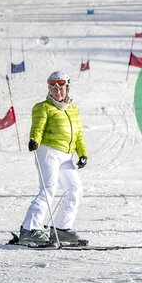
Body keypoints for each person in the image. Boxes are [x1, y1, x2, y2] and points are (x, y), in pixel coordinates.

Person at [19, 71, 89, 245]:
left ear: (67, 88)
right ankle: (29, 229)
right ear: (49, 89)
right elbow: (38, 126)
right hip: (48, 151)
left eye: (61, 87)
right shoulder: (43, 107)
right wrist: (34, 139)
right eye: (53, 87)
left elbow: (79, 133)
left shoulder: (73, 109)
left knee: (75, 189)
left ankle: (61, 228)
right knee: (48, 189)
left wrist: (83, 153)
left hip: (66, 155)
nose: (57, 91)